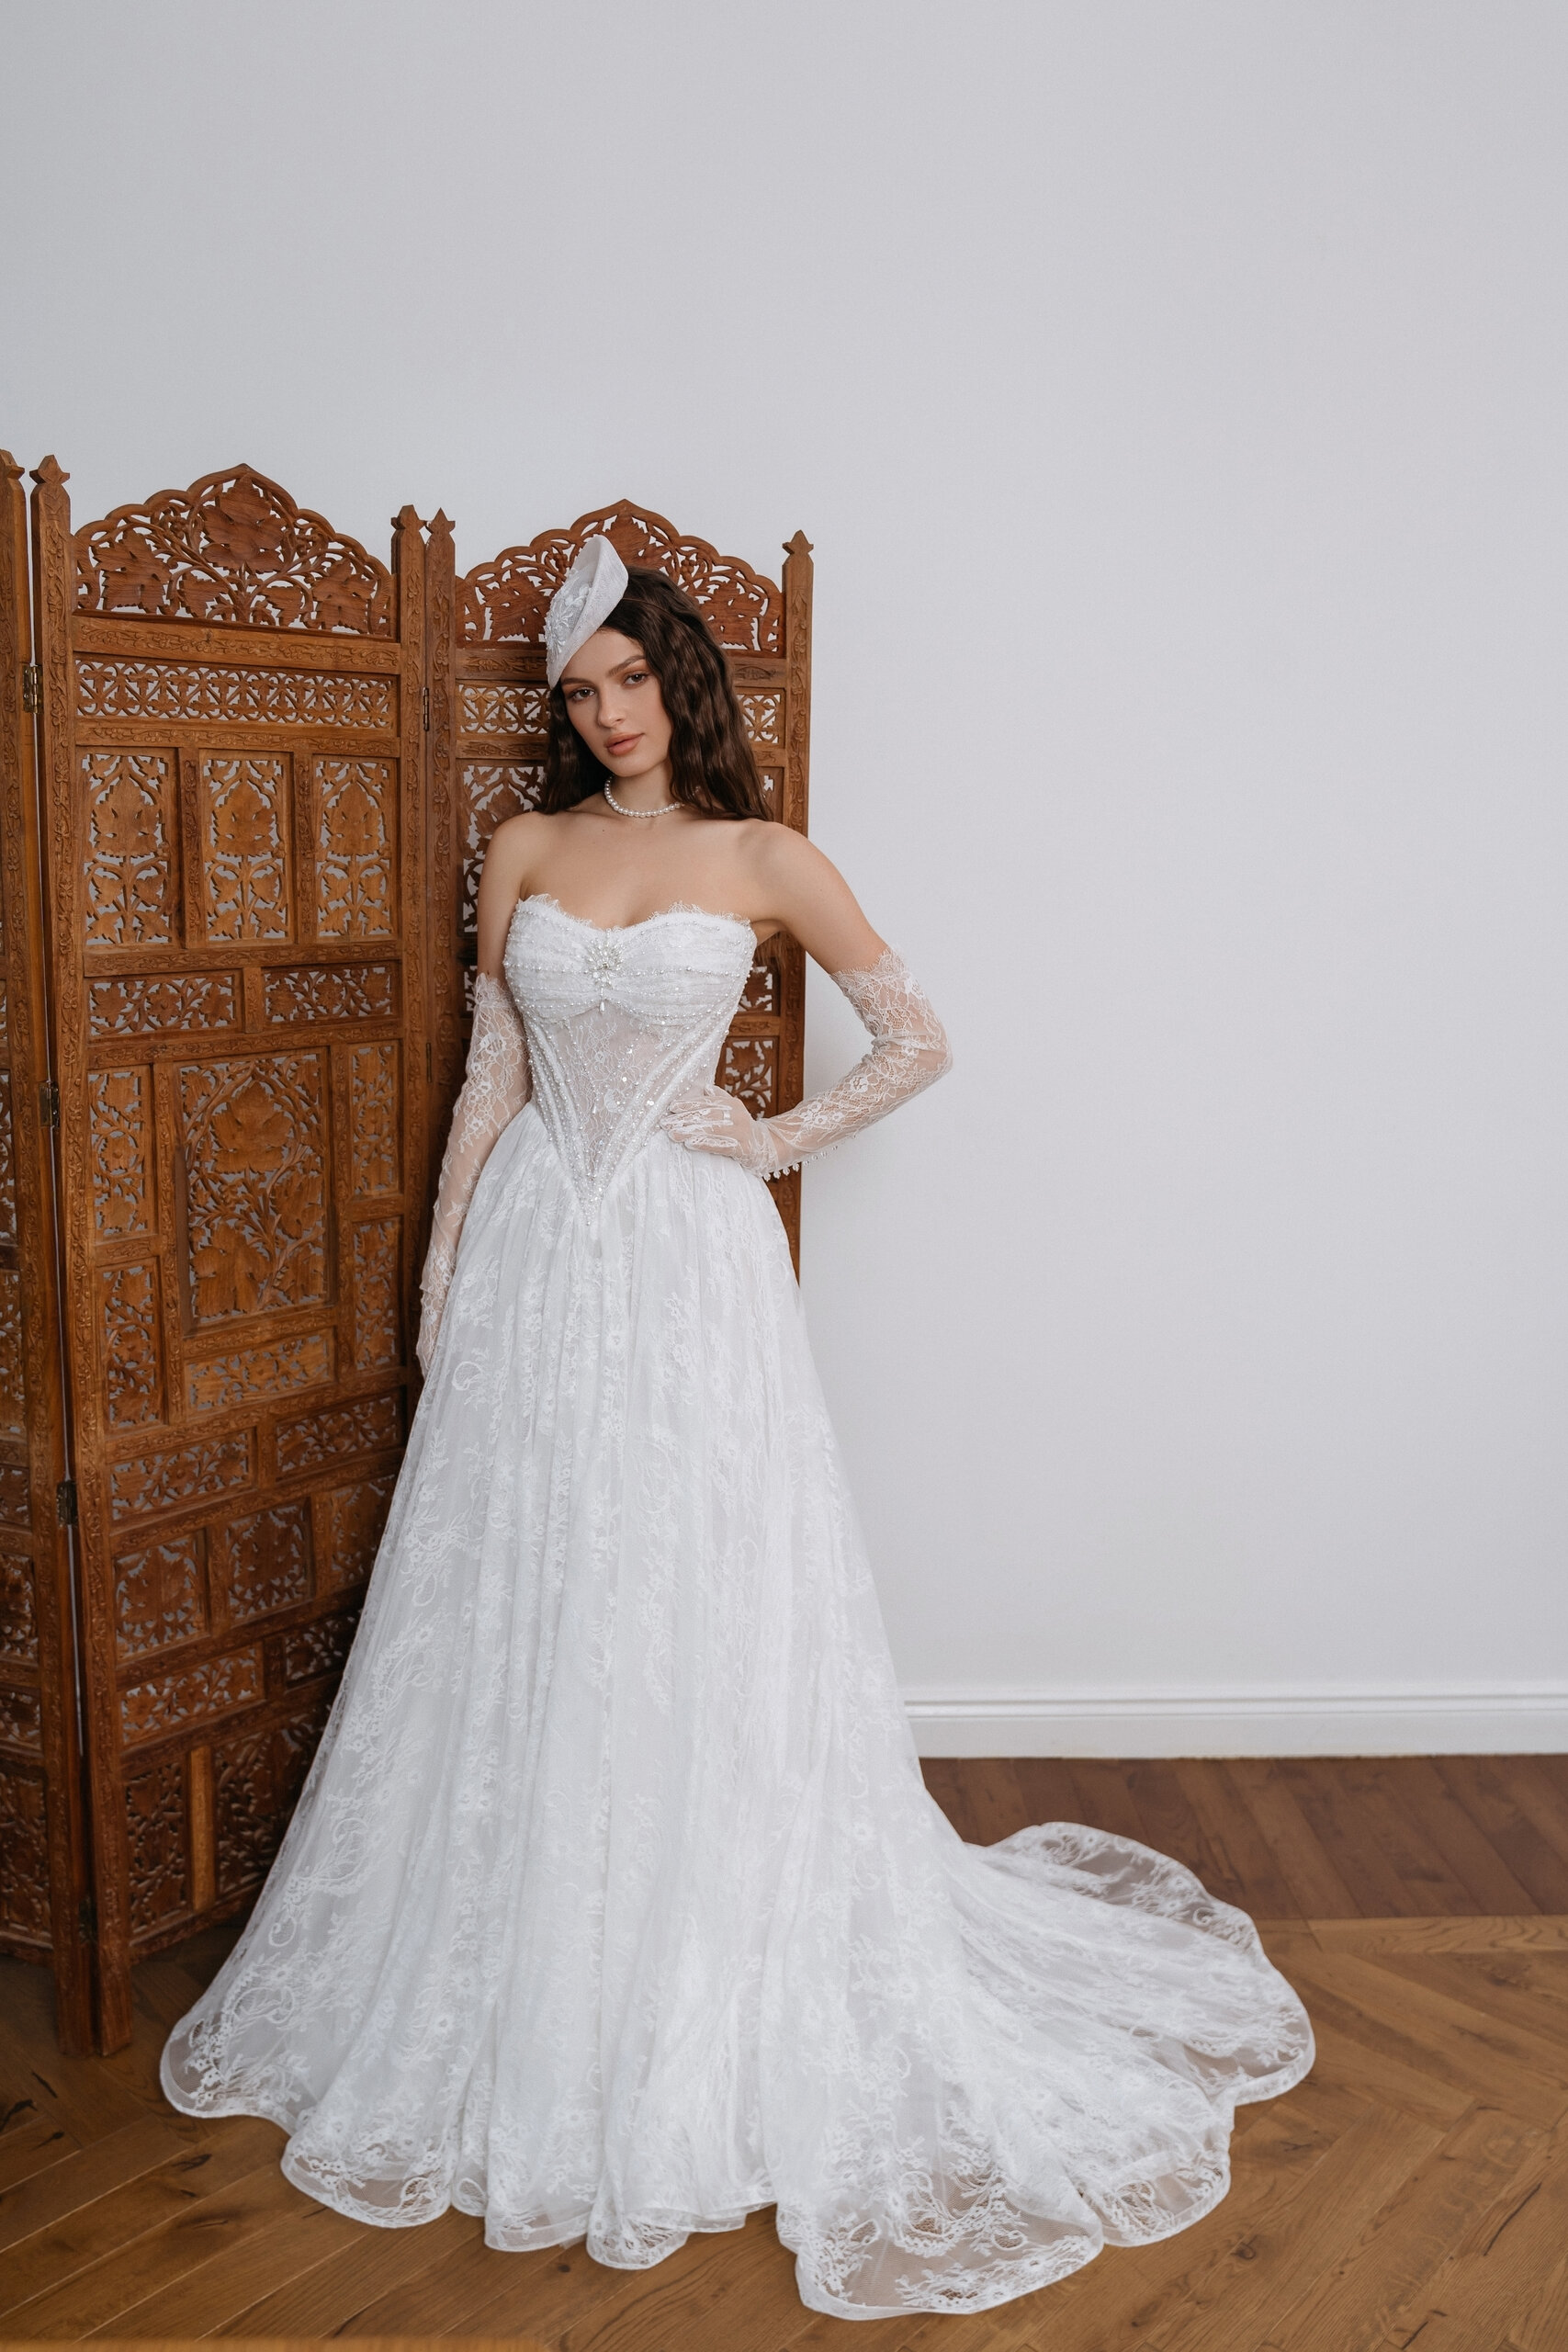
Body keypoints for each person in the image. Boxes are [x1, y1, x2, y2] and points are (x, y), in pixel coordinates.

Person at [162, 537, 1313, 2321]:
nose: (605, 714)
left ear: (680, 678)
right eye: (578, 692)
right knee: (529, 1582)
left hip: (691, 1265)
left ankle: (700, 1945)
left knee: (690, 1581)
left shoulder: (766, 857)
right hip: (539, 1249)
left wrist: (768, 1140)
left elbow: (916, 1036)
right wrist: (441, 1281)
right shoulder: (526, 848)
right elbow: (491, 1076)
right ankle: (526, 1955)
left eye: (630, 680)